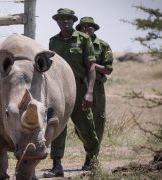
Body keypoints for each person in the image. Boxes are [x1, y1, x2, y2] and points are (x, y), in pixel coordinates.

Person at [43, 8, 100, 178]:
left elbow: (91, 67)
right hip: (59, 89)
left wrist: (89, 92)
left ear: (73, 21)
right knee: (57, 126)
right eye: (61, 19)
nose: (65, 22)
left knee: (86, 127)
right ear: (57, 22)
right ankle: (57, 165)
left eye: (68, 19)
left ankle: (92, 160)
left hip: (79, 87)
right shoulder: (53, 41)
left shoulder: (83, 39)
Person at [76, 16, 113, 170]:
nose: (86, 29)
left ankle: (91, 159)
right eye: (83, 27)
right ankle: (89, 151)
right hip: (78, 87)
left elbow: (108, 69)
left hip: (96, 89)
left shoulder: (102, 46)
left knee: (97, 123)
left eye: (89, 27)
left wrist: (91, 64)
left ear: (94, 29)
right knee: (80, 125)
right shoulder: (76, 44)